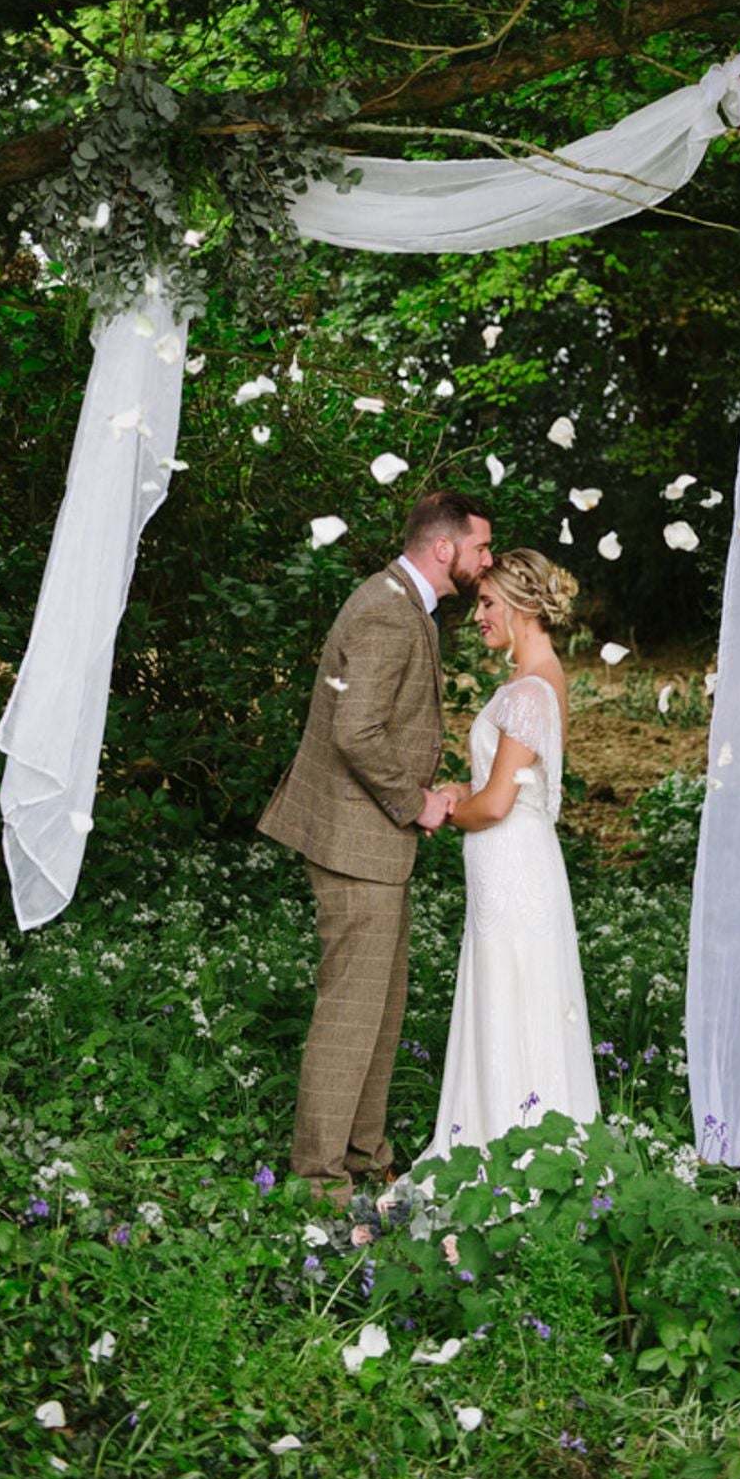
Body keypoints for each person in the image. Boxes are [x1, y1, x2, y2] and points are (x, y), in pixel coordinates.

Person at [260, 489, 494, 1204]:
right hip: (354, 840)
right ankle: (319, 1179)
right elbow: (355, 729)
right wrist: (414, 799)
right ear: (444, 546)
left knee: (381, 1008)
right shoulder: (389, 609)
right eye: (482, 547)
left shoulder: (401, 601)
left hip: (372, 844)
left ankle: (363, 1154)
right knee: (351, 1010)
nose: (487, 561)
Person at [423, 548, 600, 1158]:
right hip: (514, 865)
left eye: (488, 603)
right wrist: (460, 790)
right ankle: (512, 1135)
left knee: (512, 997)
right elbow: (506, 784)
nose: (479, 615)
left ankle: (506, 1147)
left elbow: (497, 804)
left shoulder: (528, 691)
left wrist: (446, 812)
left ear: (525, 607)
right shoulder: (537, 681)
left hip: (513, 867)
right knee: (515, 995)